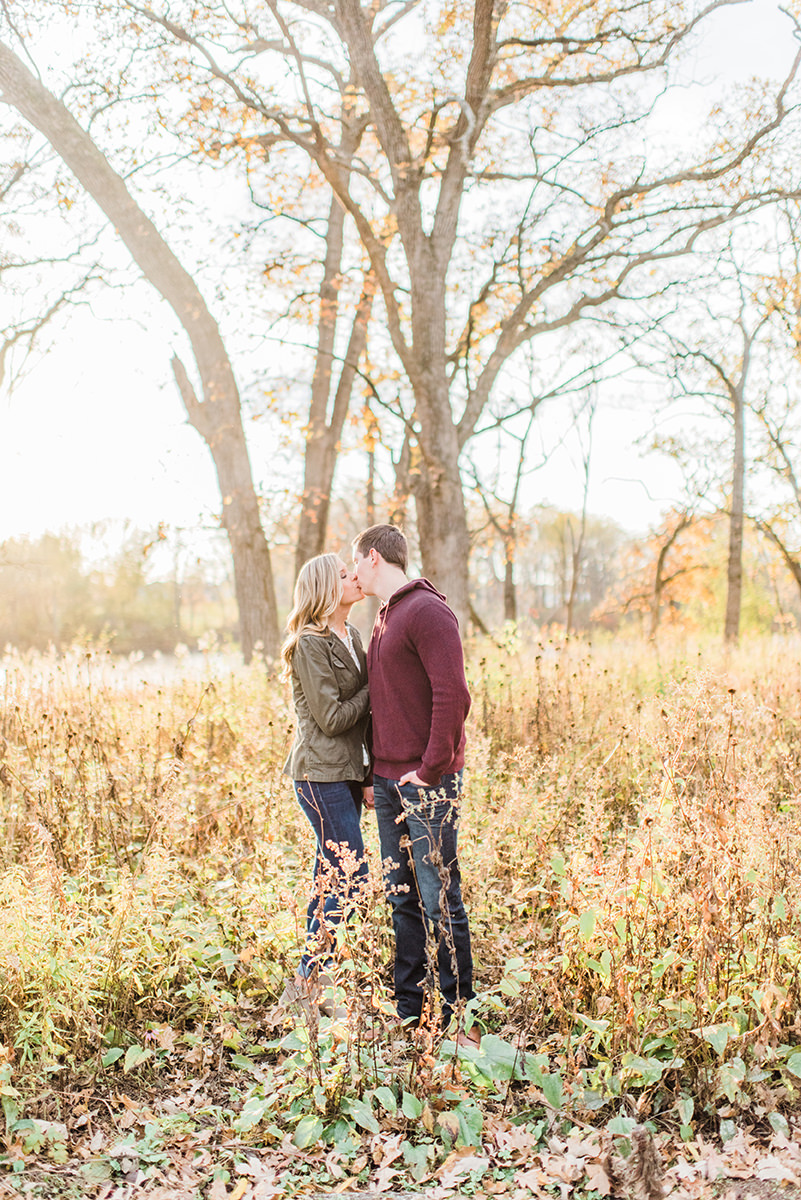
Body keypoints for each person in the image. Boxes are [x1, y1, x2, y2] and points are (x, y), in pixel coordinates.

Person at [352, 524, 479, 1047]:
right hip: (385, 781)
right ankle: (409, 1006)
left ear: (374, 558)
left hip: (426, 782)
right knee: (401, 895)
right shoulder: (384, 617)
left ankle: (457, 1011)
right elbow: (386, 704)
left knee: (438, 895)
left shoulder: (428, 612)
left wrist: (429, 770)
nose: (351, 572)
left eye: (354, 562)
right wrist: (371, 774)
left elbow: (454, 697)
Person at [279, 552, 373, 1015]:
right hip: (319, 775)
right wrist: (377, 687)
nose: (353, 577)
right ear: (325, 590)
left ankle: (309, 988)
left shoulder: (352, 635)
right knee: (351, 877)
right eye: (342, 574)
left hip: (347, 775)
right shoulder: (309, 643)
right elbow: (334, 718)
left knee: (330, 876)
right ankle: (305, 982)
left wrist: (370, 774)